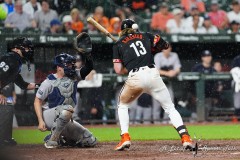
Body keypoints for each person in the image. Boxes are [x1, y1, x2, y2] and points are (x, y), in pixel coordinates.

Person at [113, 19, 195, 151]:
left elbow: (118, 70)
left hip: (135, 77)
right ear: (135, 28)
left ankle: (125, 137)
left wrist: (125, 61)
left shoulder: (118, 44)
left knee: (122, 105)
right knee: (170, 108)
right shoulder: (145, 35)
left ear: (122, 30)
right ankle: (185, 137)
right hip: (152, 74)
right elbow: (164, 45)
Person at [34, 52, 97, 148]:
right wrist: (40, 121)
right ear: (59, 67)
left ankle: (64, 139)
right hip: (49, 116)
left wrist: (87, 55)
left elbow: (88, 67)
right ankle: (52, 140)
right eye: (67, 64)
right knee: (67, 109)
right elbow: (37, 101)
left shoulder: (75, 75)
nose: (71, 67)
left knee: (89, 140)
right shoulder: (48, 81)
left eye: (72, 64)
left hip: (66, 116)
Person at [0, 37, 36, 146]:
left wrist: (42, 85)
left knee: (8, 104)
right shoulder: (11, 58)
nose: (28, 50)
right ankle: (3, 139)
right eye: (26, 48)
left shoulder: (15, 61)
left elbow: (24, 85)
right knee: (6, 106)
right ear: (16, 48)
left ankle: (4, 139)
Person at [153, 44, 181, 123]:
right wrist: (167, 73)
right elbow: (156, 70)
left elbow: (178, 68)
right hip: (156, 83)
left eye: (168, 48)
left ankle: (166, 121)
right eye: (164, 48)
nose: (166, 50)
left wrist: (174, 72)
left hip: (167, 83)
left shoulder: (174, 55)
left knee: (170, 102)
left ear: (170, 48)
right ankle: (156, 122)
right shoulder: (158, 56)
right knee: (157, 103)